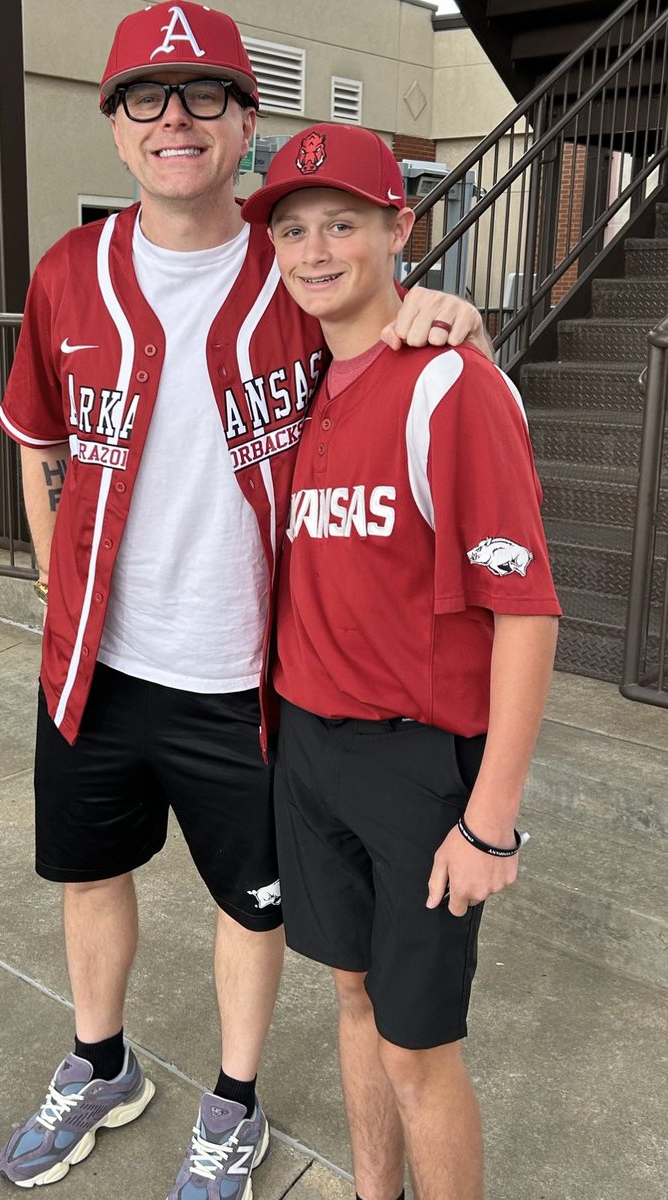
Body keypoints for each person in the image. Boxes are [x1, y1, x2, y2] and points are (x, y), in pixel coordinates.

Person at [0, 5, 489, 1196]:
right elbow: (36, 440)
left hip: (248, 677)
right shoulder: (67, 275)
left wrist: (447, 312)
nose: (177, 119)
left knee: (250, 905)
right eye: (147, 98)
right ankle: (101, 1063)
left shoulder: (291, 277)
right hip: (101, 668)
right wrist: (65, 596)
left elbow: (379, 316)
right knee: (89, 873)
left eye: (205, 93)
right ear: (115, 129)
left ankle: (234, 1101)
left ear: (245, 122)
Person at [241, 122, 561, 1200]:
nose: (316, 249)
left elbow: (527, 611)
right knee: (352, 1002)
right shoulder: (313, 384)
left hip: (416, 769)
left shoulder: (449, 384)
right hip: (310, 748)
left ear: (399, 229)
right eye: (293, 229)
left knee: (420, 1055)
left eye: (343, 223)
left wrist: (491, 818)